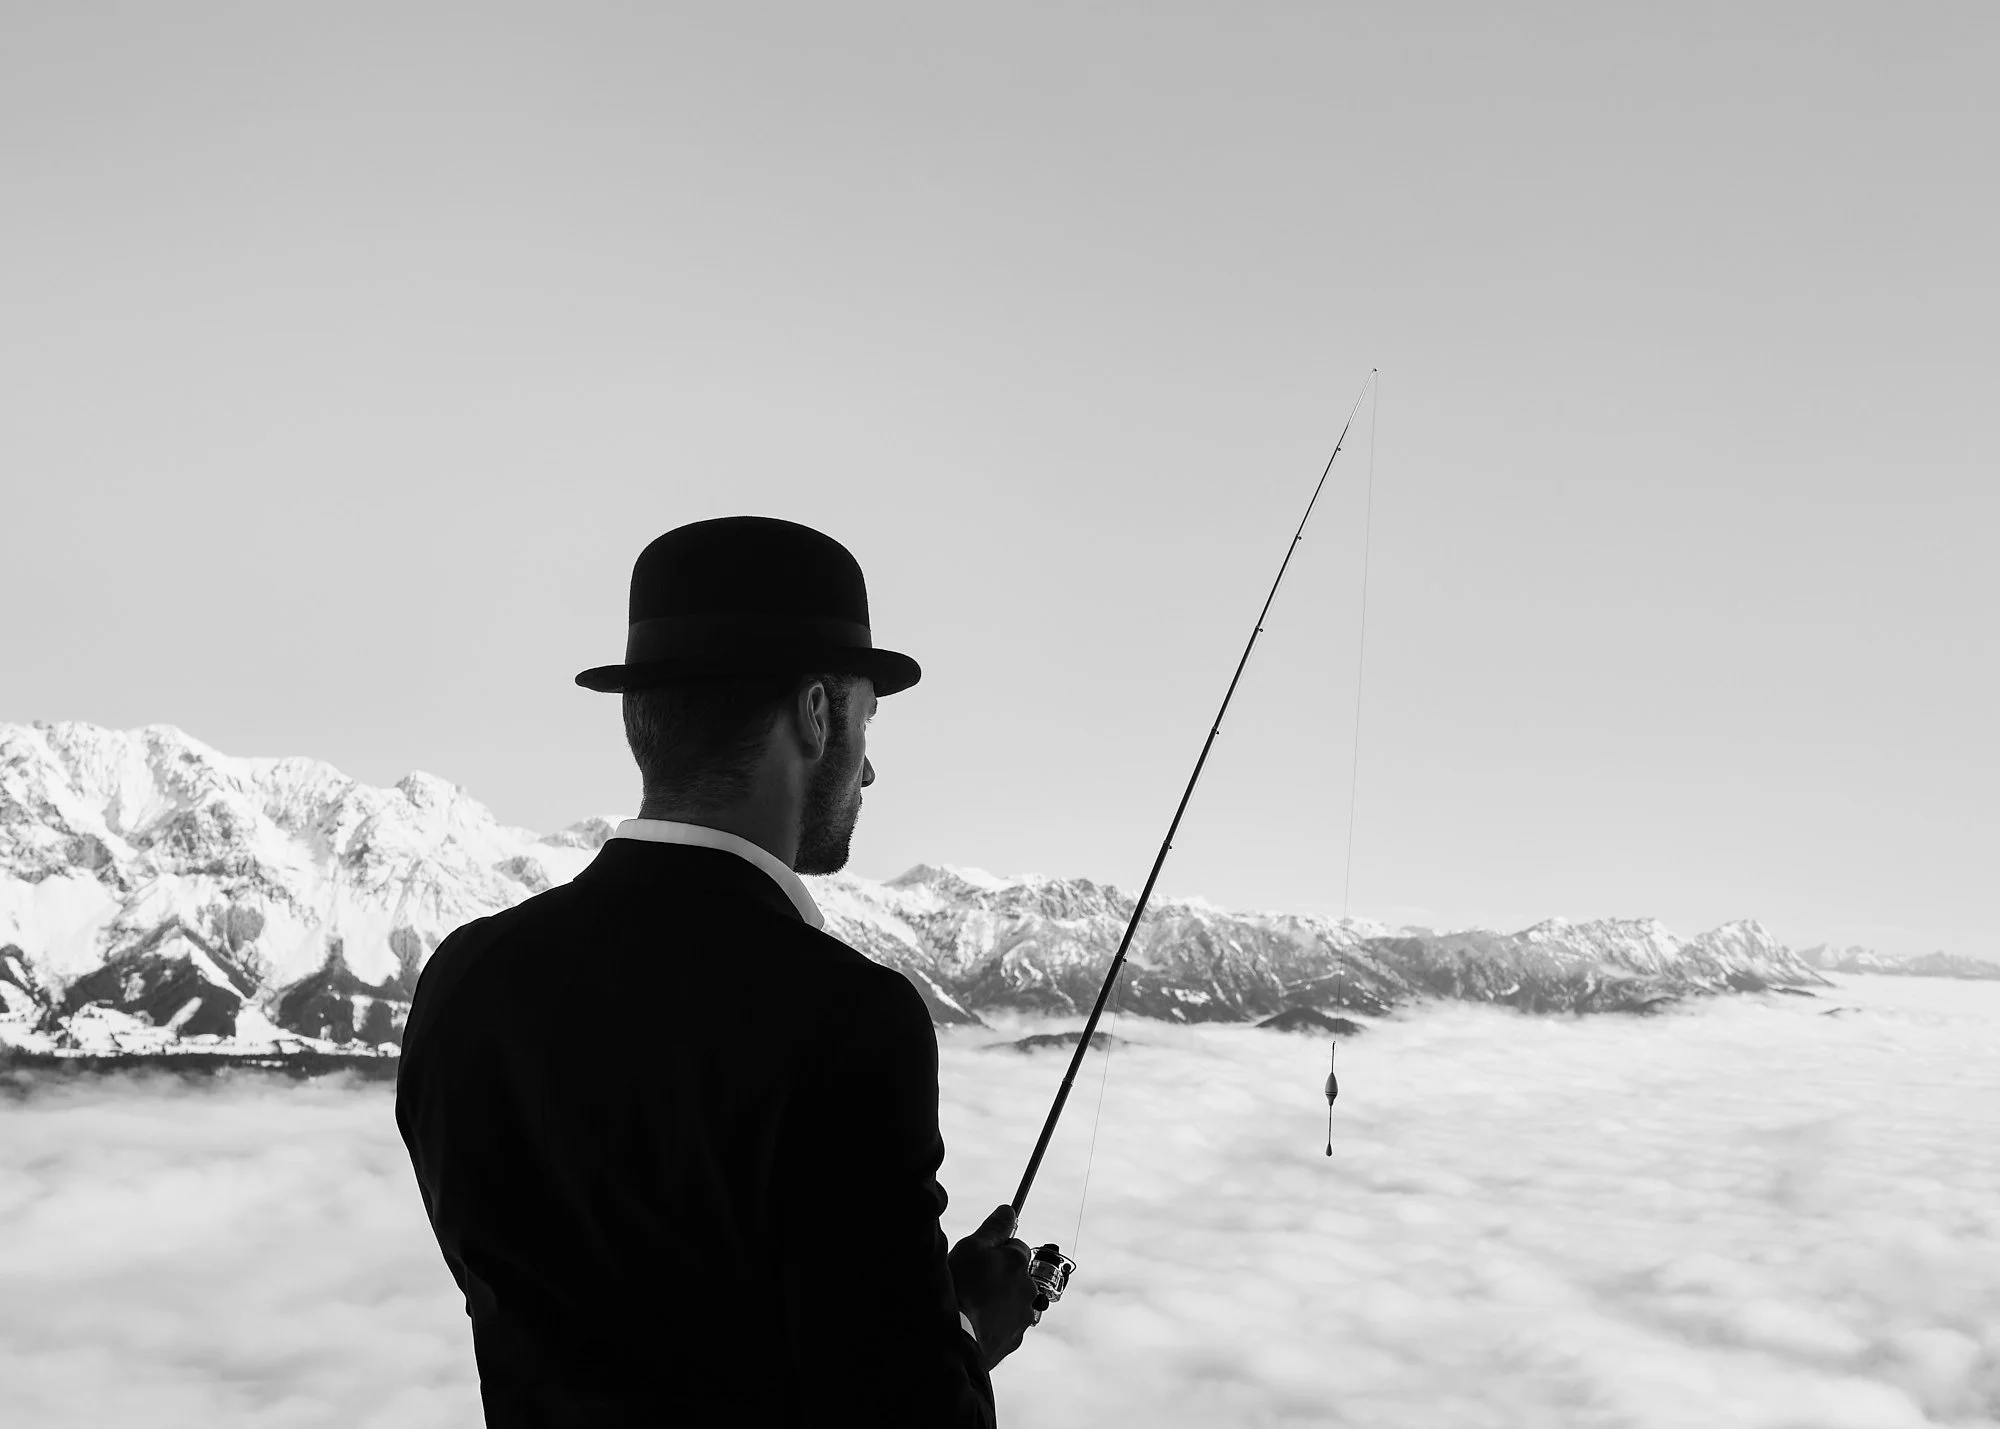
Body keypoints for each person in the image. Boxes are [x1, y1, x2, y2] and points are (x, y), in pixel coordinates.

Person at [395, 517, 1042, 1426]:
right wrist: (967, 1327)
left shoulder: (463, 981)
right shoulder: (849, 1021)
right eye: (864, 716)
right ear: (818, 714)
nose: (869, 769)